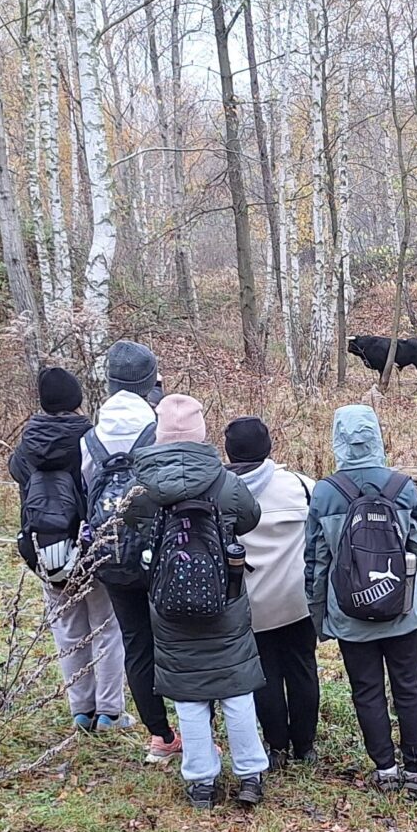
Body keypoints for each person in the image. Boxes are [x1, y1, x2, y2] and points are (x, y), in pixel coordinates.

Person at [123, 394, 269, 808]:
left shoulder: (145, 488)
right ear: (201, 432)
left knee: (189, 694)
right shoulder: (224, 482)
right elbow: (251, 517)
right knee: (237, 690)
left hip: (168, 602)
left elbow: (131, 518)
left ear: (161, 434)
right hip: (225, 596)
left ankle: (201, 781)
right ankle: (250, 774)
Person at [305, 404, 417, 795]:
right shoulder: (402, 487)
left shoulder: (326, 493)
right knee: (409, 686)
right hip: (402, 610)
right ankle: (415, 771)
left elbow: (315, 561)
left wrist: (320, 618)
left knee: (366, 690)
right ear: (378, 436)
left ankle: (384, 769)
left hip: (349, 614)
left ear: (337, 440)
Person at [11, 366, 128, 732]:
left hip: (45, 549)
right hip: (89, 546)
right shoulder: (91, 440)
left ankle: (81, 709)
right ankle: (110, 712)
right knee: (106, 627)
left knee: (67, 628)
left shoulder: (25, 444)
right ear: (78, 399)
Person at [84, 340, 178, 758]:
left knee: (135, 641)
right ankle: (194, 726)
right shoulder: (160, 429)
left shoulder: (90, 439)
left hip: (110, 554)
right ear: (150, 382)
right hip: (160, 552)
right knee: (178, 637)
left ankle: (160, 735)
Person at [224, 415, 320, 763]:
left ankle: (277, 747)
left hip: (251, 604)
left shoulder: (221, 492)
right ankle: (305, 746)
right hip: (297, 601)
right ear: (269, 447)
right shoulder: (301, 485)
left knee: (264, 674)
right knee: (303, 668)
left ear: (229, 452)